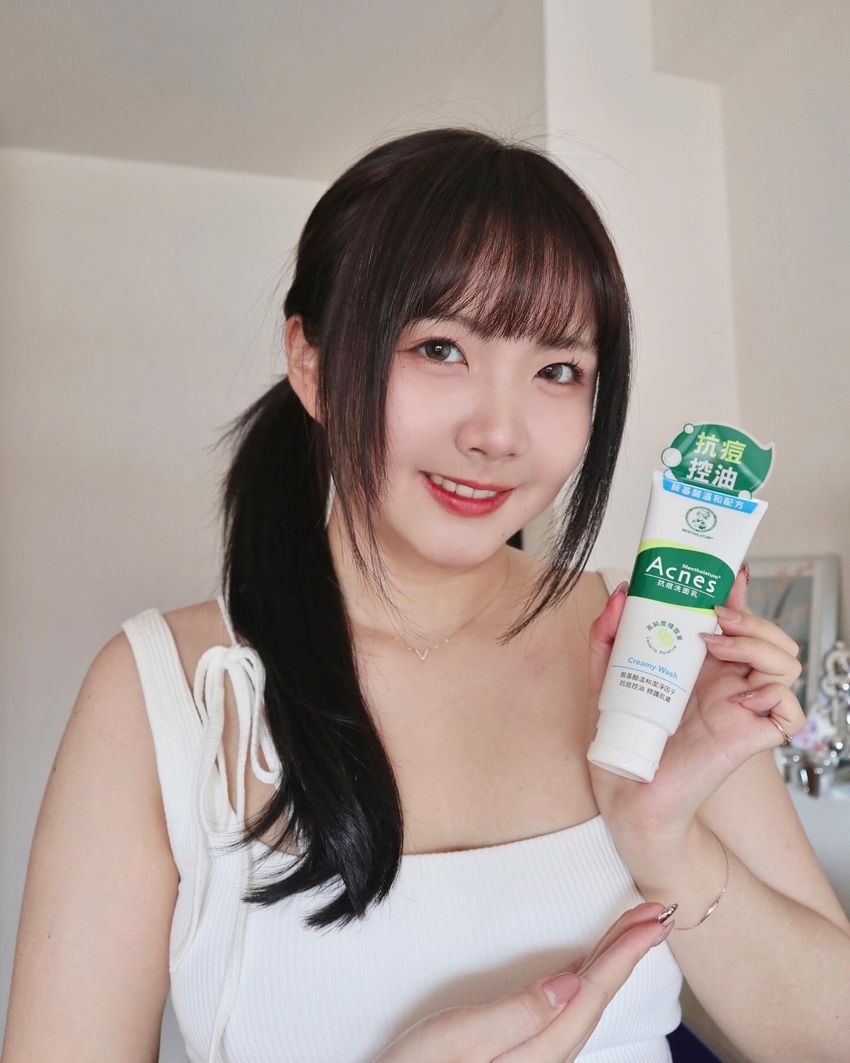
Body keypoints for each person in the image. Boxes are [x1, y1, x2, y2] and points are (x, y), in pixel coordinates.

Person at [4, 128, 841, 1063]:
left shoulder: (648, 646)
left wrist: (664, 837)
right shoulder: (163, 695)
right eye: (441, 348)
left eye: (557, 369)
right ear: (313, 365)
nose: (498, 432)